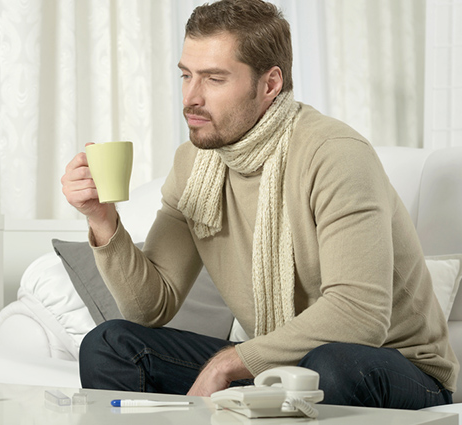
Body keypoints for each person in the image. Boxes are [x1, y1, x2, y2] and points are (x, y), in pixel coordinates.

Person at [60, 0, 458, 409]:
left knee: (329, 365)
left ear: (269, 84)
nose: (191, 98)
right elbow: (151, 307)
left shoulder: (335, 154)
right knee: (110, 345)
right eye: (186, 75)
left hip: (396, 368)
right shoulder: (195, 163)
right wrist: (103, 220)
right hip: (280, 365)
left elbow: (360, 315)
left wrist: (231, 362)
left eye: (214, 79)